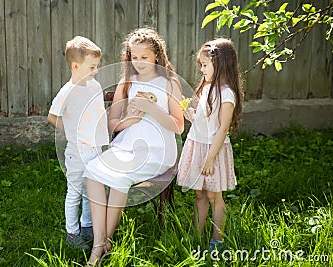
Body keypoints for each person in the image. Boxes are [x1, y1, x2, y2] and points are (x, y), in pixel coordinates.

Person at [83, 28, 184, 266]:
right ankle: (101, 242)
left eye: (144, 57)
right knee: (92, 172)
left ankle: (100, 246)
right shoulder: (127, 82)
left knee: (121, 177)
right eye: (134, 57)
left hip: (157, 149)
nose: (138, 62)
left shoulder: (169, 82)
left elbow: (178, 126)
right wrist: (131, 119)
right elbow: (113, 123)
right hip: (126, 143)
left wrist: (153, 110)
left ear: (156, 57)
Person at [177, 38, 244, 252]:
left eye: (205, 65)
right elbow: (201, 119)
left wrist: (210, 158)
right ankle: (197, 234)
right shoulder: (206, 88)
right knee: (199, 194)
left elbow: (222, 128)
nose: (202, 69)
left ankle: (217, 240)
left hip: (212, 150)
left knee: (214, 195)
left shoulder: (226, 93)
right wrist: (188, 113)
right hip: (197, 145)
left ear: (221, 63)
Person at [47, 36, 109, 249]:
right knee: (74, 190)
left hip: (95, 147)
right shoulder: (67, 92)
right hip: (77, 150)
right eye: (92, 66)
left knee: (90, 189)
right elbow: (52, 116)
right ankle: (72, 233)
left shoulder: (95, 86)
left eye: (96, 66)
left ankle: (87, 226)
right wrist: (72, 131)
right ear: (75, 66)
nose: (96, 70)